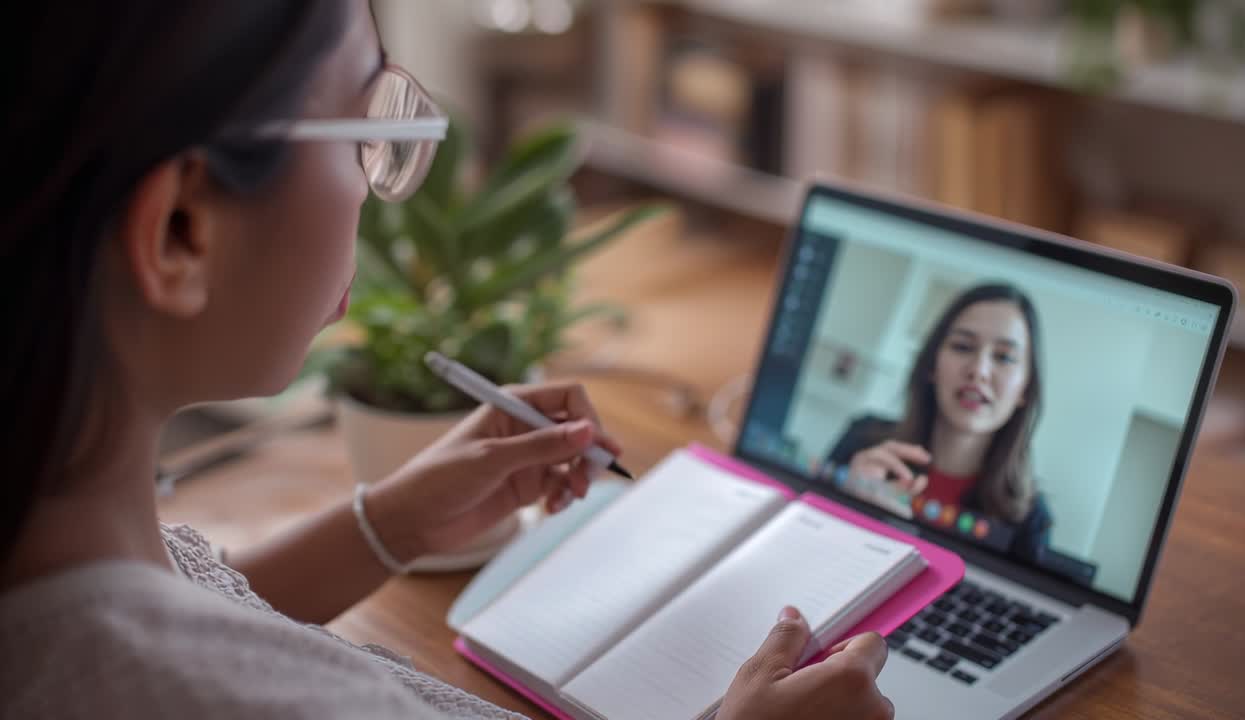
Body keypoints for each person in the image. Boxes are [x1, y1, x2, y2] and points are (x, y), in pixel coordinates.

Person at [0, 3, 893, 719]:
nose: (376, 183)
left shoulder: (60, 530)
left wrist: (391, 523)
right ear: (181, 233)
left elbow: (195, 612)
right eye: (359, 132)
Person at [826, 283, 1053, 562]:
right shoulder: (861, 439)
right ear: (932, 366)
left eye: (1004, 357)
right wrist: (842, 511)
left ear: (1025, 390)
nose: (979, 371)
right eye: (963, 346)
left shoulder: (1031, 517)